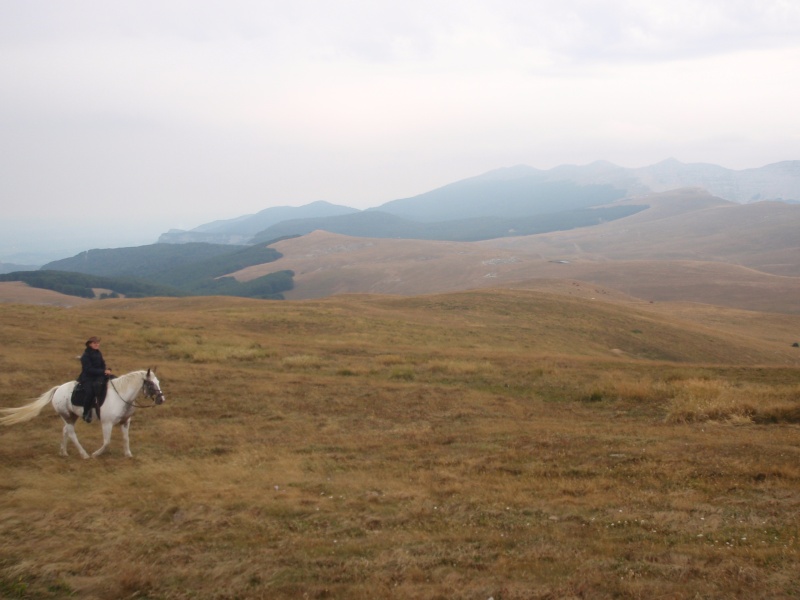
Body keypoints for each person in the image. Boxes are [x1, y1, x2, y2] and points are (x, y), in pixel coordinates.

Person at [78, 336, 112, 423]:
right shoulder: (85, 356)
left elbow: (102, 363)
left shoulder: (98, 353)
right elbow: (88, 369)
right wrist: (103, 371)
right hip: (88, 377)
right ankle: (86, 413)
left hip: (99, 375)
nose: (97, 344)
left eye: (97, 343)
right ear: (89, 344)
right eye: (94, 343)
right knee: (90, 392)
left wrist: (106, 371)